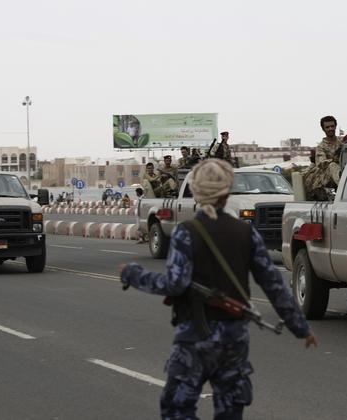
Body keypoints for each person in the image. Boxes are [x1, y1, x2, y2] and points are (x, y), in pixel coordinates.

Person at [119, 158, 318, 419]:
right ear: (226, 193)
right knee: (230, 411)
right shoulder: (246, 233)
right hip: (234, 339)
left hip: (195, 337)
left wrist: (133, 274)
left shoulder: (186, 232)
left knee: (177, 408)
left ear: (196, 192)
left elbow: (174, 283)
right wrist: (300, 328)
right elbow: (274, 285)